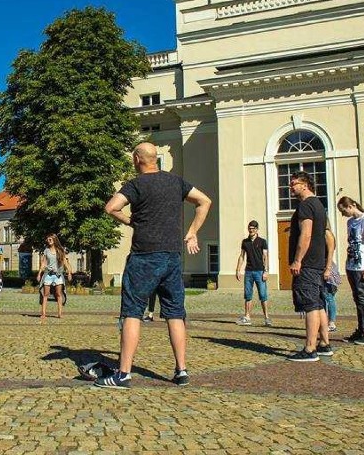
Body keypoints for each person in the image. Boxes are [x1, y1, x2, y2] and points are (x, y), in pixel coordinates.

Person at [97, 142, 212, 389]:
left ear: (138, 159)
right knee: (175, 313)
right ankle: (181, 370)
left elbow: (111, 207)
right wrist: (192, 232)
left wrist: (132, 222)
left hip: (144, 256)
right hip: (172, 256)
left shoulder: (136, 185)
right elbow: (205, 201)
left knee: (132, 312)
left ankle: (123, 374)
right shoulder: (175, 182)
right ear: (156, 159)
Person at [287, 171, 333, 362]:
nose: (291, 187)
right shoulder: (319, 205)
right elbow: (330, 238)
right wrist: (327, 263)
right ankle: (324, 344)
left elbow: (305, 235)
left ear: (305, 185)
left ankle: (310, 348)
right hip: (317, 263)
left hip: (307, 265)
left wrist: (297, 260)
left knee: (310, 305)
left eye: (294, 184)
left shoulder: (306, 205)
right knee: (319, 303)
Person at [338, 196, 364, 346]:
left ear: (352, 205)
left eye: (344, 211)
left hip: (362, 265)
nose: (343, 215)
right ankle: (361, 330)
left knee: (363, 298)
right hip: (351, 265)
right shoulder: (350, 222)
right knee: (357, 299)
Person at [235, 220, 271, 327]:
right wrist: (238, 270)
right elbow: (242, 256)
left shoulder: (262, 241)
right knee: (248, 295)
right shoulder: (245, 242)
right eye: (249, 228)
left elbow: (265, 257)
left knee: (263, 295)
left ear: (257, 229)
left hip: (260, 271)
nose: (251, 230)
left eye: (253, 228)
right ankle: (247, 317)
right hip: (249, 271)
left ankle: (267, 318)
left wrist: (266, 271)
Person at [36, 233, 72, 321]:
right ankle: (43, 314)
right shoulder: (46, 250)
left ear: (54, 240)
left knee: (58, 294)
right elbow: (43, 263)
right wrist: (39, 273)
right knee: (45, 294)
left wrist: (69, 273)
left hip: (58, 275)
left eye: (50, 239)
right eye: (48, 240)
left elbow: (65, 262)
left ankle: (59, 313)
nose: (49, 241)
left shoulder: (60, 250)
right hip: (48, 274)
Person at [323, 224, 340, 332]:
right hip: (322, 266)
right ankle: (324, 321)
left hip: (328, 267)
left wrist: (328, 269)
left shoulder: (327, 234)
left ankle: (331, 322)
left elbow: (330, 253)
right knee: (323, 297)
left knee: (329, 297)